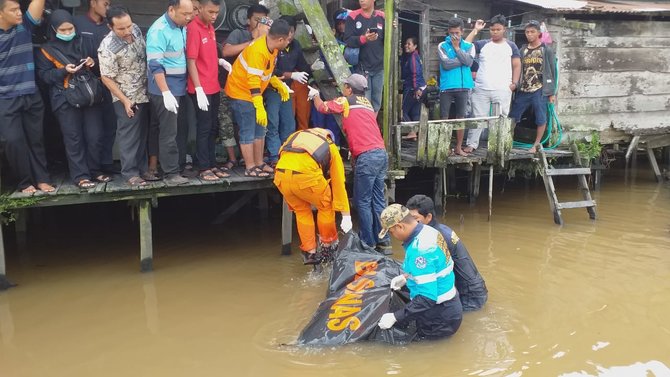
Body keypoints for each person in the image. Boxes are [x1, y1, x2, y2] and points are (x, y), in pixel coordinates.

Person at [309, 74, 390, 254]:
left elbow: (322, 108)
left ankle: (367, 243)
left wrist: (314, 94)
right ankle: (384, 241)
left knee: (362, 202)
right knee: (377, 201)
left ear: (349, 89)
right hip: (381, 154)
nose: (343, 88)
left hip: (367, 157)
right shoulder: (367, 103)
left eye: (345, 86)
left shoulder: (346, 101)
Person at [37, 9, 109, 189]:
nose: (68, 33)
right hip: (64, 98)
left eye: (70, 29)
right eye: (63, 30)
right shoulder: (46, 50)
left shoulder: (84, 41)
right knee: (73, 138)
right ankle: (81, 176)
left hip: (88, 94)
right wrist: (63, 71)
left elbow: (101, 61)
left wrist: (93, 62)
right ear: (53, 30)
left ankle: (95, 170)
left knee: (95, 136)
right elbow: (44, 76)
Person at [376, 204, 463, 340]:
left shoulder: (420, 251)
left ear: (400, 226)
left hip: (439, 317)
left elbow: (427, 298)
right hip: (450, 305)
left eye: (391, 232)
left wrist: (395, 317)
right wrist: (406, 277)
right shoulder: (428, 231)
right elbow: (435, 268)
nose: (392, 236)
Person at [224, 18, 292, 178]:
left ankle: (259, 162)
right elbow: (253, 80)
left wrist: (275, 82)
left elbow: (265, 71)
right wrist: (258, 105)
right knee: (248, 129)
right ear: (281, 39)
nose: (289, 42)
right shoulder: (258, 50)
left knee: (260, 128)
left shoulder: (273, 47)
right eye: (288, 39)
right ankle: (250, 166)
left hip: (254, 93)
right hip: (241, 92)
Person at [273, 128, 352, 264]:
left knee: (301, 211)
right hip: (307, 178)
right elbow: (339, 182)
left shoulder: (295, 136)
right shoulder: (330, 146)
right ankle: (327, 247)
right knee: (325, 206)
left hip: (281, 177)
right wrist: (346, 215)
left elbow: (282, 156)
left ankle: (310, 252)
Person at [0, 0, 54, 193]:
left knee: (36, 139)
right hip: (5, 98)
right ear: (0, 14)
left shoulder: (24, 28)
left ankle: (42, 179)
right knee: (13, 141)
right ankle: (24, 182)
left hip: (31, 94)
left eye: (19, 9)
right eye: (13, 10)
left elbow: (37, 5)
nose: (18, 13)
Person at [98, 6, 153, 187]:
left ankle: (143, 169)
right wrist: (124, 100)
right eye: (121, 28)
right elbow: (106, 77)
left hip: (144, 90)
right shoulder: (107, 47)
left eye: (128, 26)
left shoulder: (136, 29)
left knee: (143, 132)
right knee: (129, 134)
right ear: (110, 27)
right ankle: (130, 173)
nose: (127, 31)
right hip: (126, 96)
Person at [406, 194, 488, 311]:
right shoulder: (441, 229)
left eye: (415, 218)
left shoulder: (432, 238)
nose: (410, 223)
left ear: (428, 217)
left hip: (469, 295)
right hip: (475, 288)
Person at [145, 0, 193, 185]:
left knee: (167, 129)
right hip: (164, 89)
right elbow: (155, 65)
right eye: (185, 14)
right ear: (171, 10)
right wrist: (165, 93)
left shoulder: (181, 26)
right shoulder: (159, 30)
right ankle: (171, 173)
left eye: (191, 14)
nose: (189, 18)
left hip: (178, 87)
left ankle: (174, 167)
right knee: (169, 131)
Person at [219, 4, 270, 170]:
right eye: (257, 19)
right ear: (248, 19)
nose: (260, 23)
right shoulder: (239, 34)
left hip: (254, 91)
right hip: (234, 87)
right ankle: (235, 160)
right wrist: (252, 43)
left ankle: (256, 162)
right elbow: (226, 51)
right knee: (230, 126)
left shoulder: (268, 42)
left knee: (256, 127)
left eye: (264, 20)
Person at [463, 15, 521, 153]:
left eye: (498, 29)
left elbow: (517, 65)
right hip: (481, 88)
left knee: (502, 117)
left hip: (502, 88)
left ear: (504, 29)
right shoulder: (483, 44)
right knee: (477, 117)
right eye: (492, 29)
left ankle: (500, 144)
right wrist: (476, 30)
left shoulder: (511, 46)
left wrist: (514, 83)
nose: (495, 32)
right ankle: (472, 144)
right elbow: (465, 46)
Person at [186, 0, 229, 181]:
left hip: (213, 85)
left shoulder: (210, 27)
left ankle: (212, 164)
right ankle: (204, 167)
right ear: (200, 8)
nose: (214, 16)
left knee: (213, 127)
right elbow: (191, 61)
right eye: (210, 12)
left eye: (217, 13)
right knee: (203, 128)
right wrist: (198, 88)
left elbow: (208, 56)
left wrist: (220, 61)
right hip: (200, 88)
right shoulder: (193, 28)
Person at [74, 0, 118, 173]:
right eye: (105, 3)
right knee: (91, 131)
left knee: (110, 125)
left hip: (108, 82)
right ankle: (91, 167)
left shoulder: (110, 26)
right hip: (85, 85)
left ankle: (106, 163)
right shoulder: (78, 23)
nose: (108, 7)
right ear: (93, 3)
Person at [265, 15, 310, 166]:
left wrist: (311, 76)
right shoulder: (273, 45)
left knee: (289, 124)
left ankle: (286, 154)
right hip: (272, 88)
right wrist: (291, 74)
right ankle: (273, 156)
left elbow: (302, 65)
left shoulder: (295, 45)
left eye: (292, 31)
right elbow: (272, 70)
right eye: (288, 32)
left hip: (288, 89)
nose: (290, 35)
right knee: (273, 123)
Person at [509, 20, 556, 153]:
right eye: (527, 32)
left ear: (538, 33)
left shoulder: (545, 50)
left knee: (540, 117)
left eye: (532, 32)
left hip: (539, 89)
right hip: (523, 89)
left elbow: (552, 72)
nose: (529, 34)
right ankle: (508, 140)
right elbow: (516, 68)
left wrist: (551, 93)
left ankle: (536, 144)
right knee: (513, 116)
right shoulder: (522, 50)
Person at [437, 18, 476, 156]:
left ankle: (458, 147)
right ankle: (445, 147)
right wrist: (463, 60)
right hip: (447, 86)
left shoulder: (469, 46)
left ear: (462, 32)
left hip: (464, 86)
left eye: (457, 33)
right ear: (448, 31)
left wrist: (457, 48)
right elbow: (446, 64)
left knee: (461, 118)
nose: (455, 36)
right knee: (444, 117)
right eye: (452, 32)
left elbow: (470, 63)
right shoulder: (442, 45)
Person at [343, 0, 384, 113]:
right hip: (362, 67)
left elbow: (389, 38)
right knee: (364, 103)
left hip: (379, 67)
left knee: (376, 103)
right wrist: (364, 39)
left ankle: (371, 128)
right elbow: (347, 40)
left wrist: (393, 26)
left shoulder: (382, 16)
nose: (362, 0)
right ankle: (365, 129)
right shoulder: (353, 16)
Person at [400, 36, 425, 140]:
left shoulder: (413, 58)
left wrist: (416, 89)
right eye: (406, 43)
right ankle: (414, 133)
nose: (406, 45)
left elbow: (415, 74)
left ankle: (412, 131)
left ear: (415, 46)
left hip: (412, 88)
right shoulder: (414, 57)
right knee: (415, 112)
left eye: (409, 44)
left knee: (403, 111)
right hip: (419, 87)